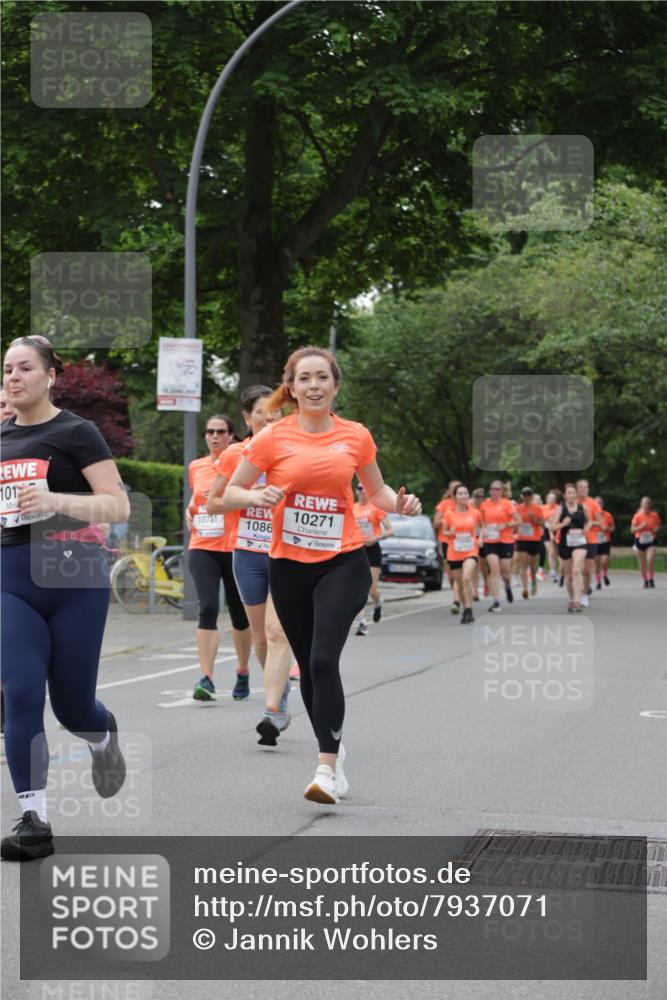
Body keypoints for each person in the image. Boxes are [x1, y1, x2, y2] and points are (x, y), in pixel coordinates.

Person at [224, 346, 421, 805]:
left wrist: (400, 504)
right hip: (288, 566)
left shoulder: (355, 436)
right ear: (290, 389)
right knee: (312, 666)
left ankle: (326, 770)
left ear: (335, 385)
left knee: (319, 660)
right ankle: (332, 744)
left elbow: (376, 491)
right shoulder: (271, 439)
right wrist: (255, 499)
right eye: (304, 379)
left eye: (322, 378)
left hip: (343, 562)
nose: (314, 386)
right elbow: (232, 489)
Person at [1, 336, 130, 861]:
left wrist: (55, 500)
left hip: (73, 575)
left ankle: (102, 738)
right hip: (10, 578)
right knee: (21, 694)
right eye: (7, 368)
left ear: (51, 375)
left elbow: (118, 506)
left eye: (24, 367)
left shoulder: (76, 432)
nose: (13, 377)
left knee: (74, 705)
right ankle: (35, 819)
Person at [206, 386, 293, 745]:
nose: (269, 419)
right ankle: (281, 691)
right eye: (261, 414)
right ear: (247, 418)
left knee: (277, 633)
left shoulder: (294, 450)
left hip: (286, 554)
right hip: (248, 554)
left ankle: (272, 710)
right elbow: (213, 503)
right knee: (259, 637)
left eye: (275, 413)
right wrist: (250, 498)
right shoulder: (234, 455)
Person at [186, 415, 251, 702]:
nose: (214, 436)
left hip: (235, 545)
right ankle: (207, 678)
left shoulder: (241, 462)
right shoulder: (196, 466)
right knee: (208, 607)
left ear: (231, 435)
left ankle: (243, 671)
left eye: (220, 431)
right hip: (203, 544)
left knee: (240, 614)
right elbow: (197, 497)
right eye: (209, 432)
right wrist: (190, 509)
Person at [352, 481, 394, 635]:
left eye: (365, 488)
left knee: (370, 587)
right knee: (357, 588)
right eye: (359, 488)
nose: (362, 491)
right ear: (356, 492)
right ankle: (362, 622)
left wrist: (376, 537)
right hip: (356, 549)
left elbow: (390, 530)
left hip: (373, 549)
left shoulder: (376, 508)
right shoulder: (352, 509)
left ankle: (378, 602)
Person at [441, 483, 482, 624]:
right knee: (459, 582)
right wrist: (449, 533)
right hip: (454, 552)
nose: (463, 496)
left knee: (466, 578)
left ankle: (469, 610)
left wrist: (480, 538)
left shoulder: (475, 513)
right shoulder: (449, 513)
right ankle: (466, 609)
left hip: (471, 550)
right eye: (460, 494)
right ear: (455, 497)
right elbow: (444, 532)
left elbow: (481, 527)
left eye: (465, 493)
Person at [548, 483, 590, 613]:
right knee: (568, 575)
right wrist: (563, 524)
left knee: (577, 569)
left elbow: (589, 521)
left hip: (580, 542)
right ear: (565, 496)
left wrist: (587, 527)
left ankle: (578, 600)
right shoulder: (560, 509)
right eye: (569, 493)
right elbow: (552, 527)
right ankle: (572, 599)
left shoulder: (583, 507)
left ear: (576, 494)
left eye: (573, 492)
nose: (571, 495)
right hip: (565, 544)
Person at [480, 481, 520, 612]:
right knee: (494, 570)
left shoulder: (507, 504)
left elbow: (519, 520)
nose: (494, 491)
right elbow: (481, 523)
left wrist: (506, 525)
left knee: (505, 573)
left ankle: (507, 586)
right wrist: (480, 536)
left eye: (497, 489)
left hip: (505, 541)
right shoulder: (484, 505)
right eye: (492, 489)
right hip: (490, 541)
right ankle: (496, 601)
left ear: (502, 491)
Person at [434, 481, 462, 615]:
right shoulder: (444, 504)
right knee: (451, 575)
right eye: (454, 489)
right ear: (450, 491)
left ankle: (457, 599)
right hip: (446, 541)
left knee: (462, 572)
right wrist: (446, 520)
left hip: (463, 542)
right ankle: (457, 594)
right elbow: (435, 523)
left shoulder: (465, 504)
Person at [576, 479, 602, 608]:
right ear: (576, 489)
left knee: (587, 570)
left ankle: (585, 594)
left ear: (588, 489)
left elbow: (600, 522)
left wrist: (590, 522)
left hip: (590, 540)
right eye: (580, 487)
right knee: (577, 569)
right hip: (575, 540)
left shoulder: (593, 504)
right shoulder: (572, 503)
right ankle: (578, 593)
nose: (583, 490)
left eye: (585, 487)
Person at [515, 487, 544, 599]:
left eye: (529, 495)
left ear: (531, 497)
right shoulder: (517, 508)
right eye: (524, 495)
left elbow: (542, 524)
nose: (527, 497)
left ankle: (534, 584)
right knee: (523, 564)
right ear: (522, 496)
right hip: (522, 539)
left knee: (532, 565)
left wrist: (535, 520)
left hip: (534, 539)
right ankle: (525, 589)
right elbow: (515, 521)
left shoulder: (537, 508)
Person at [631, 497, 661, 588]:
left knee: (650, 560)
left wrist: (656, 529)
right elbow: (632, 530)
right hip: (640, 540)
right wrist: (640, 527)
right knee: (642, 562)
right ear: (641, 504)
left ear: (650, 504)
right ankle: (645, 580)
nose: (646, 505)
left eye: (648, 503)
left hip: (651, 540)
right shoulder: (637, 516)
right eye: (644, 503)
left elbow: (658, 526)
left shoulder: (654, 515)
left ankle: (651, 579)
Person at [470, 487, 488, 599]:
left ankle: (486, 583)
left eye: (481, 496)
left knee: (484, 565)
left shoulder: (485, 507)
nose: (479, 499)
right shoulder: (469, 506)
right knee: (475, 565)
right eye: (477, 496)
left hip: (485, 538)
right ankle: (475, 591)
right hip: (472, 539)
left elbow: (487, 523)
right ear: (473, 497)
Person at [594, 496, 615, 589]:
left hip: (605, 540)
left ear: (602, 504)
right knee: (596, 562)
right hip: (594, 541)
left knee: (604, 560)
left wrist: (608, 529)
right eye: (596, 502)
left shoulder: (607, 515)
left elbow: (613, 528)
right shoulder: (590, 515)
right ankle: (598, 582)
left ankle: (604, 575)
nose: (598, 504)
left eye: (600, 502)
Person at [542, 490, 561, 582]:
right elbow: (540, 520)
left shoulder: (559, 508)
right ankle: (553, 570)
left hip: (558, 530)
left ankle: (558, 570)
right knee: (551, 552)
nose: (551, 500)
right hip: (547, 530)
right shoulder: (543, 508)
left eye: (553, 498)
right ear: (546, 499)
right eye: (550, 498)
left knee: (557, 552)